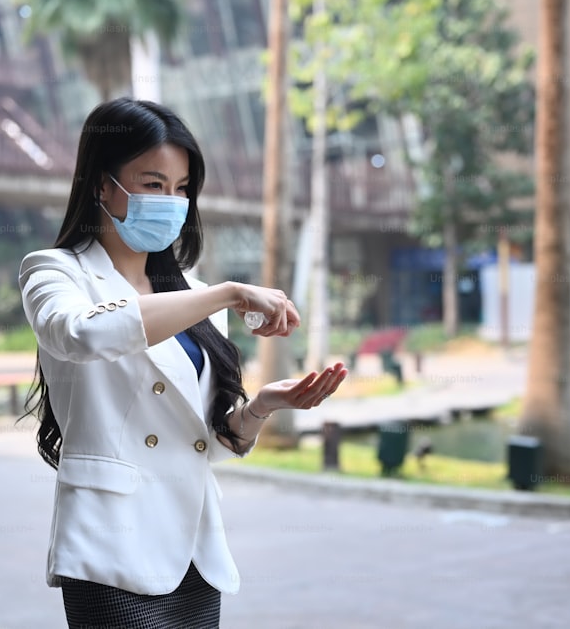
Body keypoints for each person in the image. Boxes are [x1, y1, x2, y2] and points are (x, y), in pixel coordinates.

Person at [19, 98, 348, 629]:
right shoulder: (54, 272)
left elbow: (207, 445)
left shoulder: (192, 294)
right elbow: (80, 333)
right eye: (152, 184)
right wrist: (229, 293)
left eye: (181, 188)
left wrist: (262, 406)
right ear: (103, 186)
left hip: (194, 552)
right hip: (111, 549)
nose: (170, 202)